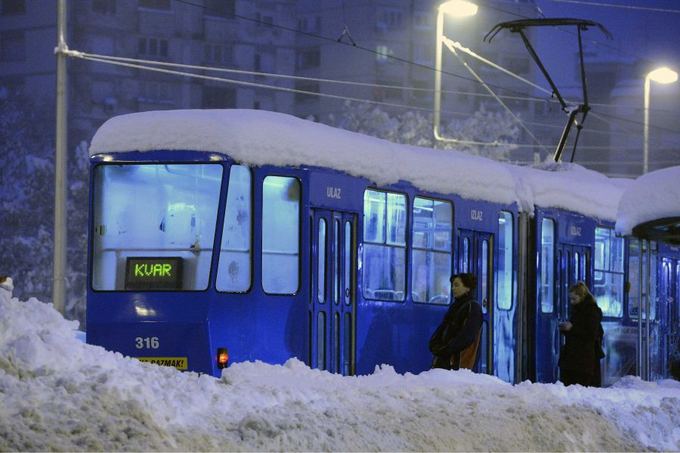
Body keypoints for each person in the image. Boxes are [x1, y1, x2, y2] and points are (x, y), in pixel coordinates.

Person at [428, 273, 483, 370]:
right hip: (447, 358)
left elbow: (467, 337)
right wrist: (435, 344)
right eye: (452, 285)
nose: (453, 288)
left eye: (457, 285)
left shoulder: (473, 308)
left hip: (457, 361)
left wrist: (446, 349)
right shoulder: (455, 306)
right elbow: (443, 327)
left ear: (467, 288)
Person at [559, 281, 605, 387]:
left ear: (582, 297)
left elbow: (590, 333)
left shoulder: (592, 311)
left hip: (583, 360)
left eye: (574, 299)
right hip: (577, 359)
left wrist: (572, 328)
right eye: (570, 299)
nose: (571, 302)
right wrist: (566, 329)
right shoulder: (579, 310)